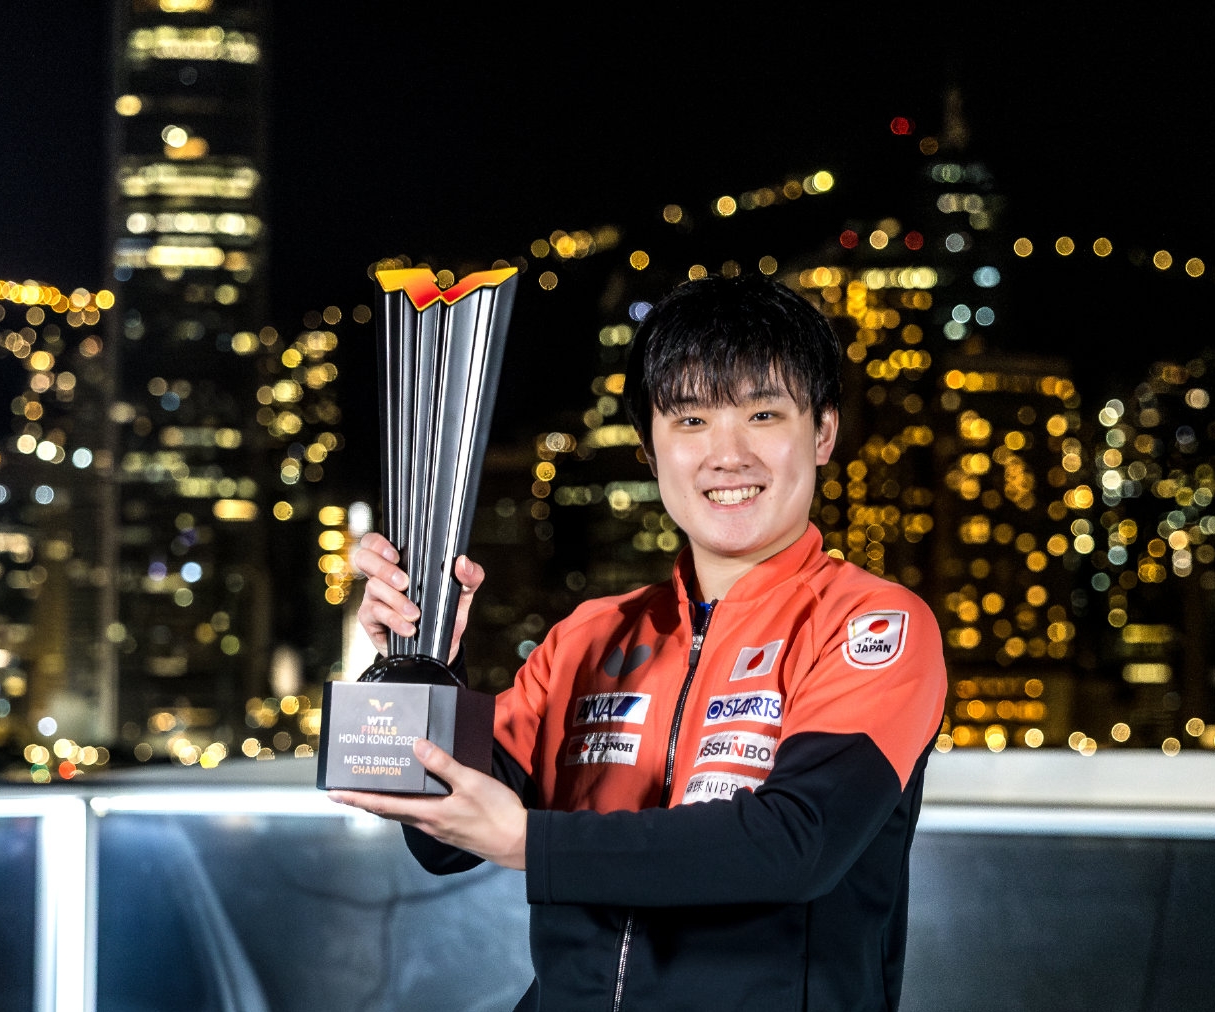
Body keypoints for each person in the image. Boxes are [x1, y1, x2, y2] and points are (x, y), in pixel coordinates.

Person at [330, 274, 948, 1011]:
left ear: (822, 433)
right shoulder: (588, 637)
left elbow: (796, 844)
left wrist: (529, 842)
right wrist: (423, 657)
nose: (727, 454)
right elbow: (444, 837)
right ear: (650, 451)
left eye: (762, 414)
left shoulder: (872, 625)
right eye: (690, 420)